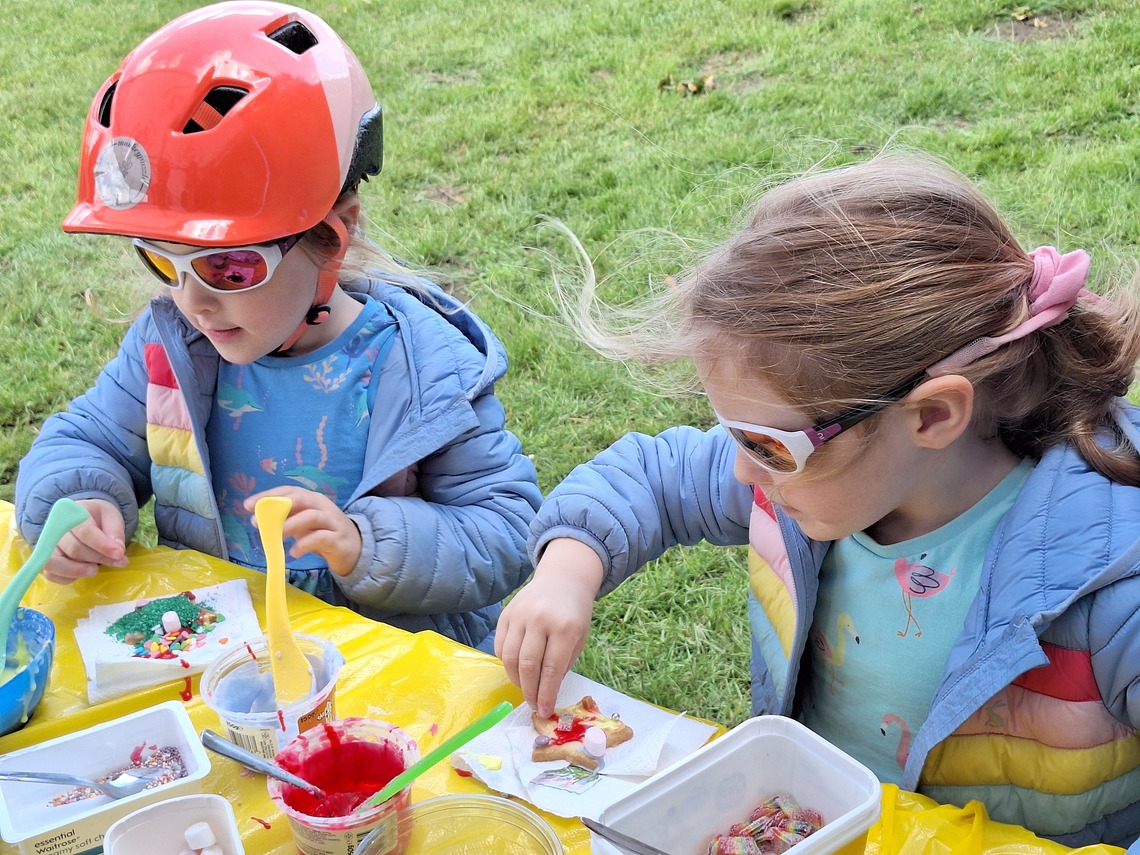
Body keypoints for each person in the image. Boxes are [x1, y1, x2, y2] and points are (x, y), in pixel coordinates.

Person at [496, 152, 1140, 847]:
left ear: (931, 416)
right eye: (733, 436)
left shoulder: (1112, 578)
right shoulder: (814, 475)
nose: (743, 474)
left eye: (766, 445)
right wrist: (566, 570)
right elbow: (651, 475)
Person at [15, 1, 542, 652]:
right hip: (227, 666)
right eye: (161, 261)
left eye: (229, 267)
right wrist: (75, 500)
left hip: (389, 675)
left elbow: (506, 528)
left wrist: (368, 543)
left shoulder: (421, 366)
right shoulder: (170, 350)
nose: (193, 303)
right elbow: (85, 440)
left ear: (333, 235)